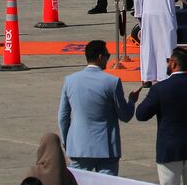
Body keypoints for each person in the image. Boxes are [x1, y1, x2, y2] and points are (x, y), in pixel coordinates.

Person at [134, 47, 187, 185]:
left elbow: (141, 115)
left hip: (169, 149)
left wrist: (135, 101)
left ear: (173, 63)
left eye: (168, 61)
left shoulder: (160, 88)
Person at [58, 39, 135, 176]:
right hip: (106, 147)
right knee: (107, 184)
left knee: (78, 183)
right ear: (100, 57)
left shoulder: (70, 81)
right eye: (107, 55)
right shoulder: (112, 82)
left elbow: (62, 118)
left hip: (79, 146)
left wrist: (67, 141)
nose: (108, 59)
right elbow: (125, 116)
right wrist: (132, 101)